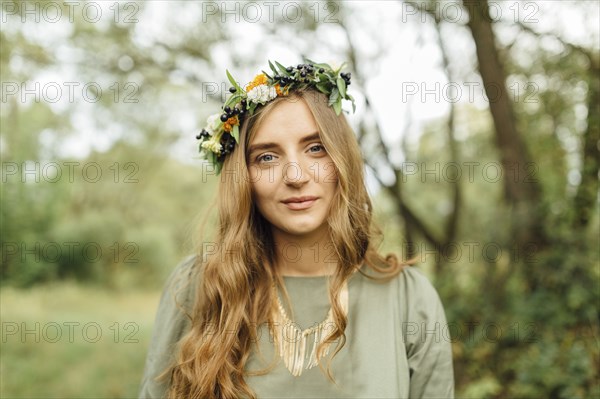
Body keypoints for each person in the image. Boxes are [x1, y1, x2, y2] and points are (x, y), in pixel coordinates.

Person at [138, 59, 454, 399]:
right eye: (267, 157)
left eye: (315, 148)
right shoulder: (197, 286)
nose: (296, 176)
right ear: (244, 178)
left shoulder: (407, 298)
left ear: (342, 159)